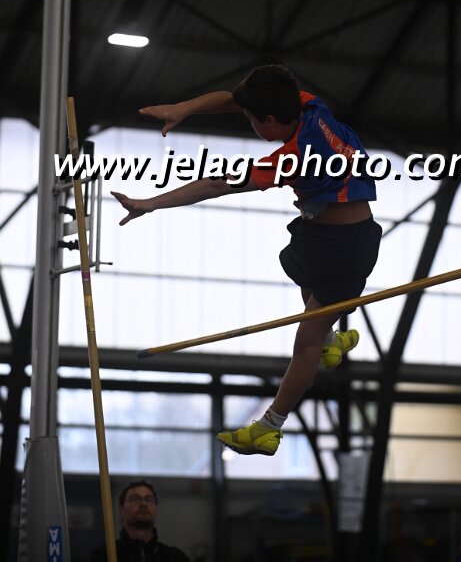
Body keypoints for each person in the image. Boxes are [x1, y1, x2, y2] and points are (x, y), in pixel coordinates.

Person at [112, 65, 382, 456]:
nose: (249, 123)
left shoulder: (294, 157)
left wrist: (151, 203)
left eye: (252, 120)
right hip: (320, 235)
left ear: (269, 120)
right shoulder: (308, 105)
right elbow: (234, 100)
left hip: (348, 248)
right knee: (298, 267)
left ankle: (269, 427)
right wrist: (183, 109)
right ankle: (332, 340)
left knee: (305, 343)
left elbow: (216, 184)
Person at [89, 479, 191, 561]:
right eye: (135, 499)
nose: (143, 504)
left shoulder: (175, 557)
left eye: (149, 499)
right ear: (121, 510)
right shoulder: (104, 556)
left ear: (156, 508)